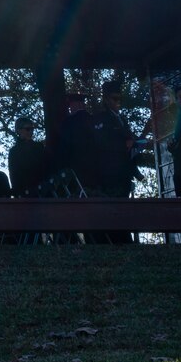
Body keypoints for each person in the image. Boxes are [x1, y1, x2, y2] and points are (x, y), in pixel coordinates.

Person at [78, 80, 138, 242]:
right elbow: (101, 145)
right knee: (111, 212)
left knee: (121, 212)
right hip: (108, 175)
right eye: (114, 98)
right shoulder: (100, 120)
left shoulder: (122, 120)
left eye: (120, 99)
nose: (118, 102)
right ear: (106, 99)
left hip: (122, 174)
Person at [7, 115, 48, 197]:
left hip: (42, 190)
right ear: (18, 130)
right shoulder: (14, 151)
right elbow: (14, 174)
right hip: (24, 192)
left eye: (32, 129)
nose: (31, 132)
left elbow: (45, 166)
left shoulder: (39, 147)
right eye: (28, 129)